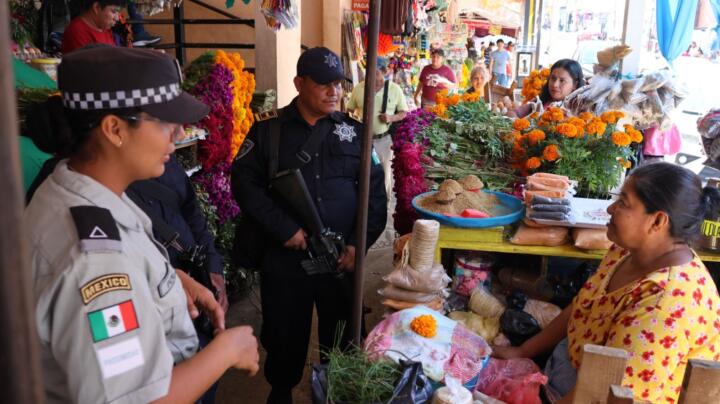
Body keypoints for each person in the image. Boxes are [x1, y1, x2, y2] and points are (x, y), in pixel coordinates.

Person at [24, 46, 259, 403]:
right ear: (115, 129)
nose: (179, 134)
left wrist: (166, 281)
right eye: (166, 121)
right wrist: (226, 351)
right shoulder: (95, 264)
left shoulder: (76, 188)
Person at [231, 47, 387, 404]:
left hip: (340, 260)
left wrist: (356, 245)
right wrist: (283, 228)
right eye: (323, 84)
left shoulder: (355, 133)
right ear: (299, 83)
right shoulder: (268, 131)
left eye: (339, 83)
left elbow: (375, 198)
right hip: (287, 259)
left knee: (344, 338)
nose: (334, 91)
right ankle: (282, 389)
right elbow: (244, 185)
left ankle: (337, 392)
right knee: (285, 333)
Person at [494, 163, 720, 403]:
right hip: (575, 368)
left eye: (623, 203)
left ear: (657, 222)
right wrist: (522, 352)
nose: (611, 208)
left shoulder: (666, 306)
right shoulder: (628, 252)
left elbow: (607, 392)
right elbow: (584, 305)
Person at [347, 57, 408, 197]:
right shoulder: (359, 88)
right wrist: (354, 121)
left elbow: (404, 113)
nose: (370, 76)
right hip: (363, 140)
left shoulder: (394, 89)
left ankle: (384, 204)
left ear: (385, 72)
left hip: (384, 141)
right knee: (362, 172)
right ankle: (365, 202)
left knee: (384, 174)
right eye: (368, 71)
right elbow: (349, 110)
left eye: (376, 72)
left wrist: (391, 118)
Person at [514, 58, 584, 118]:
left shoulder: (579, 111)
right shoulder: (539, 101)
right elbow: (514, 113)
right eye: (553, 78)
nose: (555, 85)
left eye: (562, 81)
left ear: (575, 84)